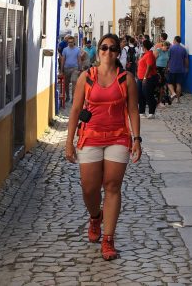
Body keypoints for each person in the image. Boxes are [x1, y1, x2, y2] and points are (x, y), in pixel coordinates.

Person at [65, 33, 142, 260]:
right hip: (90, 137)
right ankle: (95, 216)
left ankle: (108, 239)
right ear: (98, 51)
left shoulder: (126, 78)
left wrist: (136, 139)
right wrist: (69, 142)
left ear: (118, 53)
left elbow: (133, 110)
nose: (108, 52)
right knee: (89, 188)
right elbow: (75, 110)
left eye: (112, 48)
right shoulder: (86, 77)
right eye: (104, 48)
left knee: (112, 186)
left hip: (118, 137)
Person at [136, 39, 159, 119]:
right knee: (140, 95)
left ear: (144, 46)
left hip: (148, 78)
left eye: (142, 45)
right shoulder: (144, 54)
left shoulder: (149, 54)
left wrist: (145, 77)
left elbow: (149, 66)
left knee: (148, 95)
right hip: (140, 78)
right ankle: (141, 112)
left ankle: (151, 112)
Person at [61, 36, 86, 106]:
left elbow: (79, 59)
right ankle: (68, 96)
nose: (70, 43)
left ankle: (73, 98)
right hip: (66, 68)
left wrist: (80, 68)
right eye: (69, 42)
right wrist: (61, 69)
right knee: (66, 84)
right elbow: (63, 59)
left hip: (75, 68)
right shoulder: (65, 50)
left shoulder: (77, 50)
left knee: (74, 82)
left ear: (74, 42)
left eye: (71, 42)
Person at [167, 36, 189, 102]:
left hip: (172, 68)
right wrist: (187, 67)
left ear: (175, 40)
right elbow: (186, 60)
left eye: (173, 40)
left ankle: (173, 94)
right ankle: (178, 99)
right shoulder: (183, 49)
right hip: (180, 69)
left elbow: (168, 59)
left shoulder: (171, 48)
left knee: (170, 83)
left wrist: (167, 67)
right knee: (178, 84)